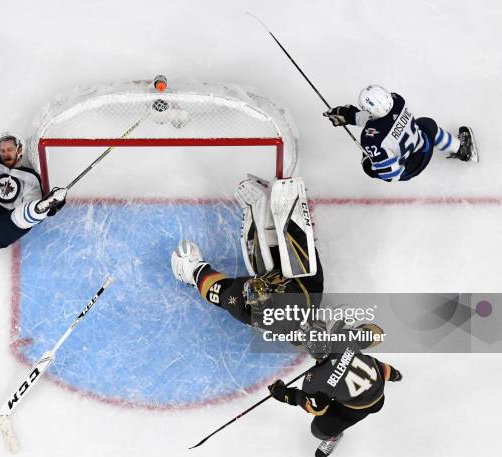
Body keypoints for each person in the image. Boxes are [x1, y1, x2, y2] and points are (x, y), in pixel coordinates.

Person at [171, 174, 324, 330]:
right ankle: (290, 218)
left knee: (264, 265)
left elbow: (214, 288)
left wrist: (192, 270)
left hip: (279, 302)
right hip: (305, 289)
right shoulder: (296, 309)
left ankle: (267, 218)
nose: (262, 286)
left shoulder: (238, 303)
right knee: (301, 270)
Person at [268, 320, 402, 457]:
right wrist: (353, 332)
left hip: (357, 408)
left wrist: (288, 394)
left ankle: (334, 436)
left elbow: (317, 409)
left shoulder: (314, 381)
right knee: (371, 364)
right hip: (379, 391)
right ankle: (394, 374)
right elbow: (377, 334)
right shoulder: (344, 337)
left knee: (318, 430)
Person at [324, 85, 478, 182]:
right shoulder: (398, 101)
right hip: (424, 146)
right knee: (426, 124)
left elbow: (391, 175)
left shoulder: (371, 140)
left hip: (409, 169)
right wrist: (351, 116)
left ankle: (462, 151)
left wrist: (367, 164)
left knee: (374, 166)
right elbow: (382, 120)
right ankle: (463, 150)